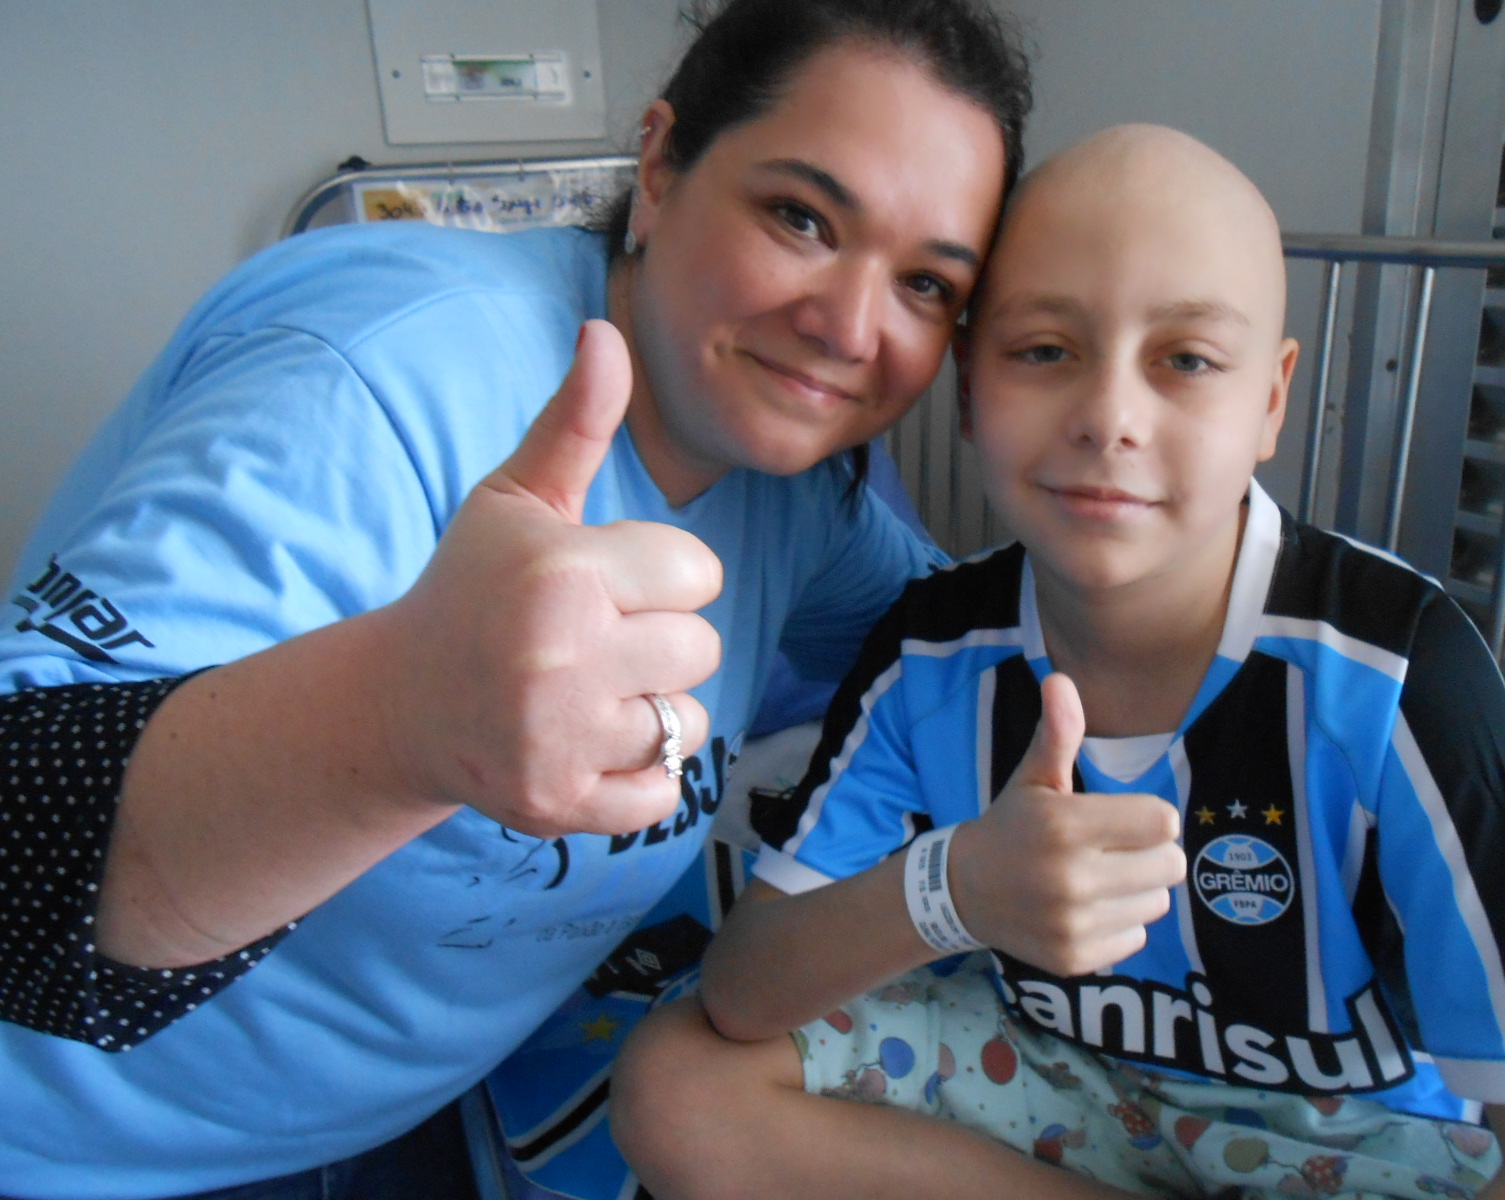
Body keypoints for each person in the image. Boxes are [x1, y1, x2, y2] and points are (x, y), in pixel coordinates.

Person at [0, 2, 1033, 1196]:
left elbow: (961, 638)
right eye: (799, 216)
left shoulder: (791, 489)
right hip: (83, 1151)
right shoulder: (382, 373)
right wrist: (397, 719)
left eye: (923, 284)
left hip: (396, 1116)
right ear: (658, 164)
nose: (850, 327)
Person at [611, 125, 1505, 1199]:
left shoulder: (1395, 673)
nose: (1108, 419)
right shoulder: (933, 650)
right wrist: (954, 890)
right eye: (1043, 350)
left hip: (1351, 1140)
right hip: (1055, 1089)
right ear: (968, 389)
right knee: (676, 1079)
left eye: (1185, 361)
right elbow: (743, 993)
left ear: (1268, 400)